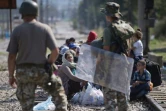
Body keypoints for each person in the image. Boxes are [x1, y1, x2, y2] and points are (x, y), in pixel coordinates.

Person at [7, 1, 68, 111]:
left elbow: (11, 56)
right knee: (59, 95)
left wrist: (11, 76)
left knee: (26, 104)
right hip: (41, 71)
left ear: (22, 14)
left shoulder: (17, 31)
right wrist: (49, 64)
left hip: (23, 73)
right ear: (36, 13)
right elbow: (55, 51)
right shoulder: (44, 28)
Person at [100, 2, 132, 111]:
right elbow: (129, 47)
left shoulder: (108, 30)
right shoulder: (124, 27)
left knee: (110, 96)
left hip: (111, 64)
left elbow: (106, 51)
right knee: (122, 94)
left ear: (108, 15)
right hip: (123, 62)